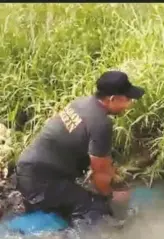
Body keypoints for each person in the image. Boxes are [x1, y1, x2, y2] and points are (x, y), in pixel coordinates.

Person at [15, 70, 145, 227]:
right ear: (112, 99)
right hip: (41, 182)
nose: (130, 104)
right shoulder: (101, 123)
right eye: (127, 99)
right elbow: (100, 173)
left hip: (28, 169)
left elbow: (101, 162)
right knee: (97, 209)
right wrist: (111, 196)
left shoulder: (82, 103)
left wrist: (113, 178)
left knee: (79, 197)